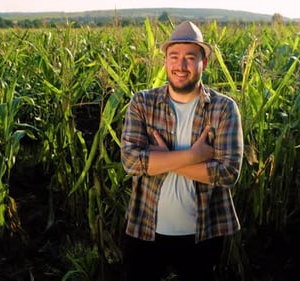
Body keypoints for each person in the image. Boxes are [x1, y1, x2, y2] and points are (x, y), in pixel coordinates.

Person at [120, 21, 244, 281]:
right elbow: (131, 162)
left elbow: (228, 173)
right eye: (174, 57)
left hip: (202, 233)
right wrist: (194, 156)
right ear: (165, 61)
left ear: (204, 63)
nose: (181, 65)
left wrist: (160, 157)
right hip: (145, 229)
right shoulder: (142, 103)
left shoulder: (223, 108)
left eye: (190, 57)